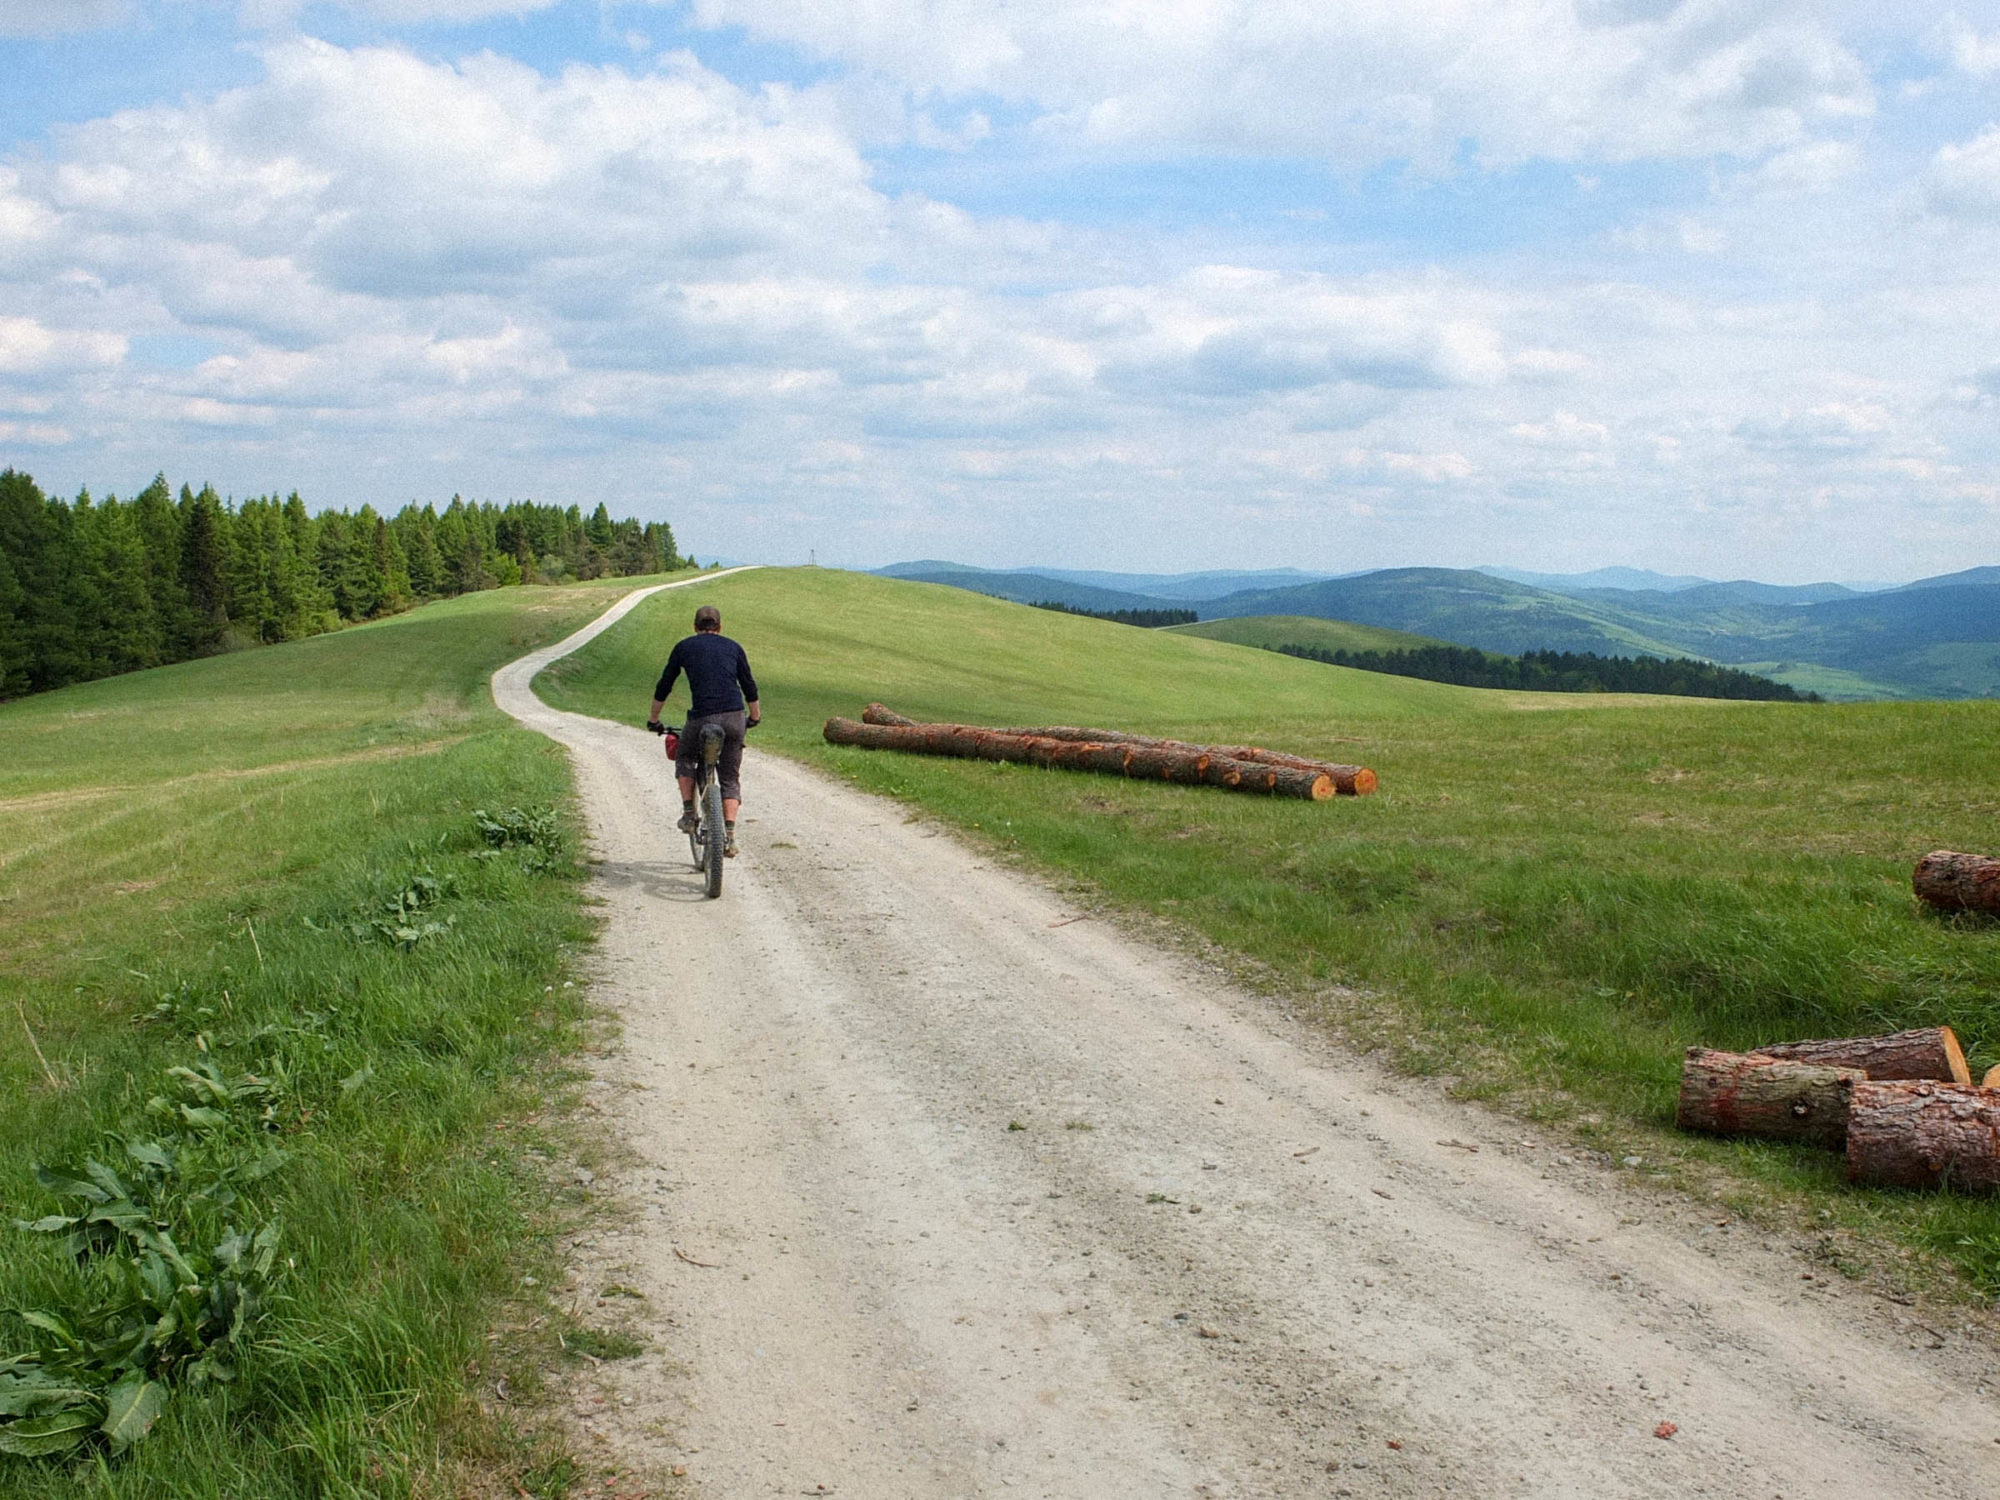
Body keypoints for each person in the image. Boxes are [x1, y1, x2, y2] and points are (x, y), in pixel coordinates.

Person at [647, 604, 761, 857]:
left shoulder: (684, 647)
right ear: (719, 627)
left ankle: (689, 814)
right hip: (734, 718)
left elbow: (665, 684)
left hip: (702, 718)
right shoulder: (734, 647)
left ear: (695, 627)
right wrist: (754, 717)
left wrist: (654, 719)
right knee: (730, 778)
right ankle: (729, 836)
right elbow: (749, 686)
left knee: (685, 757)